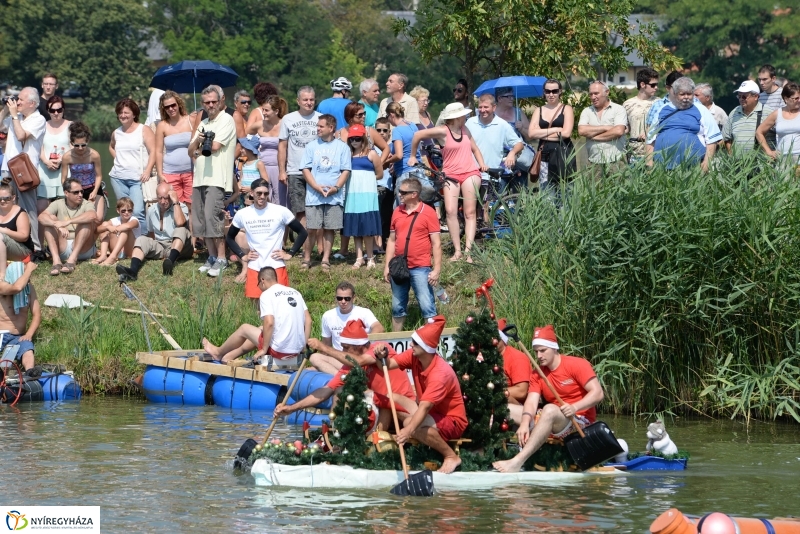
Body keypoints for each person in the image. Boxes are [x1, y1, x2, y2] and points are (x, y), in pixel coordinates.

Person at [493, 325, 605, 473]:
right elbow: (531, 403)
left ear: (554, 348)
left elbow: (598, 393)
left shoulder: (577, 364)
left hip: (578, 421)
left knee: (550, 409)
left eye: (543, 350)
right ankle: (487, 452)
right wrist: (525, 423)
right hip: (552, 418)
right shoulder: (537, 373)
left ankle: (517, 461)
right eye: (536, 351)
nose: (539, 356)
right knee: (503, 405)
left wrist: (574, 407)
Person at [367, 315, 467, 474]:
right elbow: (388, 364)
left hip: (452, 420)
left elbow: (425, 407)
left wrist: (407, 432)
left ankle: (451, 456)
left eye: (415, 343)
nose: (411, 344)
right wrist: (382, 356)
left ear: (426, 347)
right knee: (393, 399)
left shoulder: (440, 374)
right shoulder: (414, 356)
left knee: (410, 425)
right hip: (429, 411)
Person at [279, 320, 417, 431]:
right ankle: (337, 436)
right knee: (339, 391)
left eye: (345, 347)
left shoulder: (379, 349)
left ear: (358, 346)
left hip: (403, 408)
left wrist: (323, 347)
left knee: (386, 399)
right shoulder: (349, 367)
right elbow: (324, 391)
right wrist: (292, 408)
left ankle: (378, 441)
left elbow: (360, 360)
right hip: (379, 409)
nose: (342, 351)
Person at [409, 102, 486, 263]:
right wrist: (413, 155)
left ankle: (468, 252)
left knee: (470, 212)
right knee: (450, 211)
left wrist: (481, 163)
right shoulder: (443, 131)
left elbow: (475, 149)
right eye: (463, 114)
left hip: (470, 172)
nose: (466, 116)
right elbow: (417, 136)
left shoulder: (466, 130)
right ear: (456, 117)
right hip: (450, 173)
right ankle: (457, 250)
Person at [202, 266, 312, 368]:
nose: (259, 287)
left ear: (262, 280)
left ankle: (218, 352)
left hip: (279, 351)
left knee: (245, 328)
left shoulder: (267, 295)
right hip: (296, 350)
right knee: (260, 329)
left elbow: (269, 322)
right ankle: (229, 356)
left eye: (258, 284)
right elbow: (308, 321)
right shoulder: (295, 292)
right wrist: (303, 347)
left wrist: (264, 350)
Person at [225, 178, 308, 296]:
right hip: (255, 266)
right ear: (251, 193)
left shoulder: (280, 211)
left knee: (280, 303)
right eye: (259, 193)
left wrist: (290, 254)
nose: (262, 196)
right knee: (257, 306)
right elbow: (229, 238)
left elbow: (302, 232)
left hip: (276, 265)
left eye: (265, 193)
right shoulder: (243, 214)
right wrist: (242, 256)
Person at [188, 85, 237, 278]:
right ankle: (211, 257)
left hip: (217, 178)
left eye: (213, 102)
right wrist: (198, 142)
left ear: (221, 101)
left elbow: (215, 146)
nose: (210, 105)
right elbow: (190, 151)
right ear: (202, 104)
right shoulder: (203, 123)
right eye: (206, 102)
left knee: (213, 218)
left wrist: (198, 146)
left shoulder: (227, 119)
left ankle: (222, 258)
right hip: (199, 178)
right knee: (201, 221)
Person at [382, 177, 441, 331]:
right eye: (399, 191)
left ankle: (431, 341)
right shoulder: (397, 211)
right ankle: (396, 341)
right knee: (397, 306)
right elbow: (392, 240)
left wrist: (436, 269)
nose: (399, 194)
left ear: (414, 194)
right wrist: (387, 266)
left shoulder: (428, 213)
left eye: (403, 192)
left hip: (421, 266)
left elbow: (436, 243)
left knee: (427, 306)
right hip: (399, 266)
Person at [300, 114, 351, 271]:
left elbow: (345, 170)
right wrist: (316, 186)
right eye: (318, 126)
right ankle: (307, 259)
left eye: (321, 126)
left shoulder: (343, 147)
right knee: (311, 228)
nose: (318, 129)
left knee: (330, 228)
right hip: (314, 196)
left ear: (331, 128)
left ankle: (325, 259)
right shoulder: (311, 146)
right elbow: (305, 169)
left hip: (334, 196)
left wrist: (336, 187)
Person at [0, 87, 46, 252]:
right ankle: (13, 245)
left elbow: (21, 136)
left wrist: (13, 116)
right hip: (7, 169)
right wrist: (6, 108)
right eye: (16, 99)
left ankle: (35, 248)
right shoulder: (16, 116)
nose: (17, 102)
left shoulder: (38, 119)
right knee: (7, 206)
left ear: (32, 103)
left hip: (25, 171)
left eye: (20, 100)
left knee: (28, 209)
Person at [115, 183, 191, 281]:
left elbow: (181, 223)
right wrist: (151, 246)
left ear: (172, 195)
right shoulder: (151, 210)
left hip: (181, 247)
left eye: (166, 198)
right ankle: (133, 271)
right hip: (161, 246)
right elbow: (151, 233)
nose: (163, 201)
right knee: (141, 239)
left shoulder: (181, 207)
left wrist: (176, 202)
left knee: (180, 229)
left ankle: (170, 262)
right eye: (160, 198)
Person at [647, 77, 722, 171]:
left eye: (689, 94)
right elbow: (650, 139)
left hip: (693, 168)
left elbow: (712, 139)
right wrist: (649, 163)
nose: (686, 97)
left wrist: (707, 163)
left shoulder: (701, 110)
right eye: (682, 94)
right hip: (662, 167)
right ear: (674, 94)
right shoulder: (662, 109)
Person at [310, 281, 384, 373]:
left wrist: (362, 343)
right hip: (340, 359)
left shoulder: (364, 312)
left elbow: (379, 328)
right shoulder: (328, 316)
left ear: (353, 298)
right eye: (339, 298)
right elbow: (326, 345)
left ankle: (343, 378)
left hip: (360, 358)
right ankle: (344, 378)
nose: (343, 302)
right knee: (314, 359)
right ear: (336, 298)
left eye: (347, 298)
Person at [279, 86, 321, 241]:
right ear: (298, 101)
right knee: (300, 210)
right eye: (305, 99)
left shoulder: (321, 118)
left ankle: (319, 246)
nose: (309, 103)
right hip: (295, 170)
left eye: (311, 99)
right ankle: (304, 246)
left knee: (317, 209)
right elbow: (282, 145)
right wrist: (282, 170)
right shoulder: (288, 119)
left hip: (317, 171)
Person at [109, 98, 155, 230]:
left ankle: (142, 244)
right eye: (120, 113)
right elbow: (111, 147)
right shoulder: (116, 133)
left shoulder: (144, 130)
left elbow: (153, 152)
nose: (123, 115)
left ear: (134, 114)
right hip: (118, 178)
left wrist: (147, 170)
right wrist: (119, 160)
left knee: (138, 212)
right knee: (124, 213)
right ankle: (128, 243)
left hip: (138, 178)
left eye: (126, 112)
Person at [38, 178, 98, 275]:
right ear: (66, 193)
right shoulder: (57, 203)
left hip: (83, 249)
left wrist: (68, 222)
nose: (80, 195)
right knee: (50, 219)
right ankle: (56, 261)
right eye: (76, 192)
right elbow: (41, 217)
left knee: (87, 221)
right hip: (63, 245)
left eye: (81, 191)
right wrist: (57, 225)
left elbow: (93, 215)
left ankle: (72, 259)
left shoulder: (86, 203)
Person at [343, 124, 383, 269]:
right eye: (352, 139)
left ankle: (370, 257)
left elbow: (379, 173)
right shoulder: (347, 155)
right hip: (352, 194)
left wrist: (367, 180)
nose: (354, 142)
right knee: (356, 227)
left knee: (367, 228)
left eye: (358, 139)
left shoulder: (371, 154)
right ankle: (359, 257)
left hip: (367, 194)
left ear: (363, 139)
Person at [465, 94, 524, 192]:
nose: (483, 110)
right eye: (480, 107)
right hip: (470, 175)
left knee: (490, 206)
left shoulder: (502, 125)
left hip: (492, 175)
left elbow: (519, 144)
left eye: (486, 107)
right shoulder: (470, 122)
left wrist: (512, 153)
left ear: (494, 107)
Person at [527, 79, 576, 187]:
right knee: (547, 192)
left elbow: (566, 134)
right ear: (544, 92)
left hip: (563, 155)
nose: (551, 94)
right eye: (548, 91)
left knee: (566, 191)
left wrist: (540, 133)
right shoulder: (538, 110)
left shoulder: (566, 109)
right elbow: (531, 134)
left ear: (560, 92)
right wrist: (555, 130)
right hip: (544, 155)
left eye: (554, 91)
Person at [578, 81, 629, 179]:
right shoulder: (586, 111)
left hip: (616, 161)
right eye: (591, 94)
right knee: (594, 193)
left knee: (619, 192)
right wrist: (605, 127)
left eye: (596, 93)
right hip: (594, 162)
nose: (593, 97)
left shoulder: (618, 109)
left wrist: (593, 136)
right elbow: (582, 131)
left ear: (607, 92)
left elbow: (618, 131)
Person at [246, 95, 288, 207]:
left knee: (280, 199)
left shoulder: (285, 123)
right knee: (264, 197)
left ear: (276, 111)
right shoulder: (260, 125)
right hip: (262, 166)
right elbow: (243, 134)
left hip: (280, 167)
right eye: (263, 109)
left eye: (266, 110)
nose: (263, 113)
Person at [60, 122, 106, 221]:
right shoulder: (67, 157)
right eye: (76, 145)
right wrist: (69, 192)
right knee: (79, 219)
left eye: (83, 145)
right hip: (75, 190)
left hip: (93, 187)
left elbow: (98, 176)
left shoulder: (94, 155)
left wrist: (94, 191)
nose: (80, 148)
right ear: (72, 143)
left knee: (98, 219)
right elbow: (63, 178)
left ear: (87, 141)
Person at [0, 261, 41, 372]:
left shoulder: (29, 289)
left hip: (17, 337)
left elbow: (37, 314)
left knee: (27, 348)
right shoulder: (2, 286)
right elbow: (17, 288)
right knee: (5, 366)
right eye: (24, 273)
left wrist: (29, 334)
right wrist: (28, 269)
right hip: (1, 335)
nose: (28, 277)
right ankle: (4, 375)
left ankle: (30, 373)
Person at [155, 91, 194, 207]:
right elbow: (158, 151)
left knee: (191, 206)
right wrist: (160, 174)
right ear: (163, 109)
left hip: (191, 172)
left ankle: (191, 226)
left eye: (173, 105)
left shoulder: (191, 120)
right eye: (167, 107)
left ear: (178, 104)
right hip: (170, 173)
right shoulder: (162, 125)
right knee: (174, 205)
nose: (171, 109)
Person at [757, 82, 800, 173]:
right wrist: (769, 151)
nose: (799, 100)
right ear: (786, 99)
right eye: (796, 98)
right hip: (783, 160)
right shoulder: (777, 114)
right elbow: (759, 132)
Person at [37, 95, 70, 215]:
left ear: (63, 110)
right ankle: (40, 234)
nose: (56, 113)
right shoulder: (42, 125)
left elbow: (73, 148)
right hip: (45, 170)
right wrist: (46, 161)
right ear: (48, 111)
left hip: (64, 171)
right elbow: (38, 146)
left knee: (63, 211)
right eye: (52, 110)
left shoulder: (70, 126)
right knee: (41, 209)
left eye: (59, 110)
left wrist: (62, 160)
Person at [723, 80, 774, 155]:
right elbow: (727, 138)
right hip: (739, 164)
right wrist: (731, 156)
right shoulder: (734, 113)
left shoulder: (768, 112)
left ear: (756, 96)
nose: (741, 99)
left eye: (744, 96)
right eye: (739, 96)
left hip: (762, 163)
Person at [623, 68, 659, 164]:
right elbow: (626, 128)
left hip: (655, 152)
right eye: (653, 85)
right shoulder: (627, 104)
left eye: (657, 85)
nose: (656, 88)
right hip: (634, 153)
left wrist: (650, 132)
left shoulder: (659, 103)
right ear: (642, 85)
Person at [495, 318, 532, 409]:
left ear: (502, 339)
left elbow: (521, 391)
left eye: (494, 338)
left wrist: (494, 393)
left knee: (502, 398)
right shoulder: (486, 357)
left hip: (521, 408)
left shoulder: (516, 358)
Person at [0, 183, 34, 279]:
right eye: (0, 199)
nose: (2, 201)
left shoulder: (20, 213)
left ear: (13, 198)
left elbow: (24, 236)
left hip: (22, 250)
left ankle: (2, 275)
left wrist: (4, 231)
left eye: (6, 198)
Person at [94, 196, 140, 266]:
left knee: (125, 230)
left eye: (129, 210)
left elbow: (128, 226)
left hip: (130, 251)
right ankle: (103, 255)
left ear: (132, 210)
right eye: (123, 211)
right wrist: (108, 228)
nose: (126, 213)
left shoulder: (134, 220)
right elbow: (97, 230)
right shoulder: (116, 220)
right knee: (105, 225)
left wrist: (112, 229)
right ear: (118, 210)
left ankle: (112, 257)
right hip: (118, 250)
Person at [373, 117, 394, 252]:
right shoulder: (372, 148)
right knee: (378, 216)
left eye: (384, 130)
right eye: (378, 130)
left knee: (387, 216)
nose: (381, 133)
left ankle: (385, 242)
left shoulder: (393, 147)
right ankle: (378, 244)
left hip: (390, 185)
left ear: (389, 133)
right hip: (377, 185)